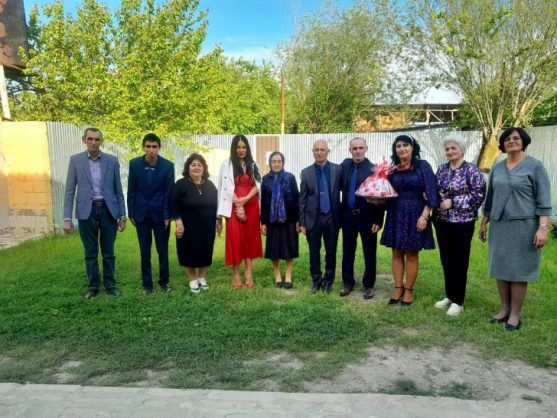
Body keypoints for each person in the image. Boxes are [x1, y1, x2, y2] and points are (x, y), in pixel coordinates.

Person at [479, 128, 551, 331]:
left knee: (518, 271)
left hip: (524, 227)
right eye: (507, 139)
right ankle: (504, 309)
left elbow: (544, 201)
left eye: (516, 138)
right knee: (501, 268)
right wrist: (484, 222)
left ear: (524, 141)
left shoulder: (535, 166)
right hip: (500, 225)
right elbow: (490, 198)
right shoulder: (498, 167)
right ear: (503, 144)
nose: (511, 141)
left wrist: (542, 228)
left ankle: (515, 314)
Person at [63, 127, 126, 299]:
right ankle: (93, 286)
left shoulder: (112, 161)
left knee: (108, 252)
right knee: (90, 252)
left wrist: (122, 215)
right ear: (84, 139)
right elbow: (69, 191)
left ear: (101, 141)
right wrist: (67, 218)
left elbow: (118, 190)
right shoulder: (75, 160)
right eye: (90, 139)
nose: (93, 142)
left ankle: (110, 284)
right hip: (86, 211)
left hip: (108, 210)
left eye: (97, 139)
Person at [380, 134, 438, 305]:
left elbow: (432, 192)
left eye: (405, 145)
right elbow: (387, 193)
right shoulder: (392, 170)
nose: (402, 149)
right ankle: (398, 288)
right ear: (395, 149)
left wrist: (425, 216)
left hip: (416, 214)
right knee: (396, 252)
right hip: (395, 214)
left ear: (413, 147)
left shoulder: (422, 166)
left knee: (412, 253)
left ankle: (409, 290)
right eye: (398, 146)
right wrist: (376, 198)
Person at [432, 134, 486, 316]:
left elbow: (478, 195)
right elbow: (435, 190)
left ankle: (458, 301)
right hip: (442, 221)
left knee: (459, 260)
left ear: (462, 150)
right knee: (446, 259)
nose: (450, 151)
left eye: (453, 148)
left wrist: (454, 202)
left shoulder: (472, 170)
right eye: (447, 149)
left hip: (462, 222)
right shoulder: (441, 169)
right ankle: (450, 295)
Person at [127, 133, 175, 294]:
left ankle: (164, 281)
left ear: (159, 148)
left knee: (162, 250)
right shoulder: (134, 164)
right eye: (148, 146)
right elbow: (132, 189)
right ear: (143, 147)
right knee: (144, 250)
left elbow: (169, 192)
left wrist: (167, 215)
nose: (151, 150)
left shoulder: (168, 166)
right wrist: (131, 212)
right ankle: (147, 284)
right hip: (141, 214)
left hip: (160, 215)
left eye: (154, 146)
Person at [339, 138, 384, 299]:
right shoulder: (344, 166)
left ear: (366, 149)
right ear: (350, 150)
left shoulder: (374, 170)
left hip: (367, 217)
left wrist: (378, 220)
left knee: (369, 252)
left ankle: (369, 285)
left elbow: (381, 196)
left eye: (360, 148)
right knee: (347, 251)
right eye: (354, 148)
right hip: (348, 216)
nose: (358, 151)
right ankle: (348, 282)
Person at [217, 135, 262, 288]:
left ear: (247, 148)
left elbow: (258, 185)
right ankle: (236, 273)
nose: (241, 150)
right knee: (235, 239)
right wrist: (238, 204)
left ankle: (248, 272)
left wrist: (246, 199)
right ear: (233, 148)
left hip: (251, 205)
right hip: (232, 205)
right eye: (238, 147)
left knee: (249, 238)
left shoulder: (253, 164)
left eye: (244, 147)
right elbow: (224, 187)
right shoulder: (226, 165)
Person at [172, 153, 220, 293]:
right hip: (187, 227)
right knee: (188, 252)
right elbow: (173, 205)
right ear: (188, 167)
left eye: (200, 165)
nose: (196, 167)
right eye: (193, 165)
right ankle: (192, 279)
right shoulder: (181, 184)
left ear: (204, 168)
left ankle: (201, 277)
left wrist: (218, 221)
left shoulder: (210, 185)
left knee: (206, 251)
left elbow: (217, 204)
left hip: (207, 226)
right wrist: (178, 222)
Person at [299, 139, 342, 294]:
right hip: (313, 219)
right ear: (312, 152)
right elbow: (302, 199)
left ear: (328, 151)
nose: (319, 152)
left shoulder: (338, 170)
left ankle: (328, 281)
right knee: (314, 252)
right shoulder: (306, 173)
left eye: (322, 150)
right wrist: (302, 222)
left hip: (332, 218)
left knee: (331, 251)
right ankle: (316, 281)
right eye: (316, 150)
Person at [260, 151, 300, 289]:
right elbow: (264, 202)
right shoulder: (265, 179)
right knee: (273, 249)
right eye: (274, 161)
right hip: (272, 220)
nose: (276, 164)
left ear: (283, 163)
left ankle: (288, 276)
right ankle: (277, 275)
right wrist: (263, 222)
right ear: (270, 163)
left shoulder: (290, 177)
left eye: (279, 161)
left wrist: (298, 220)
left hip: (289, 219)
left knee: (290, 247)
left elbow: (297, 199)